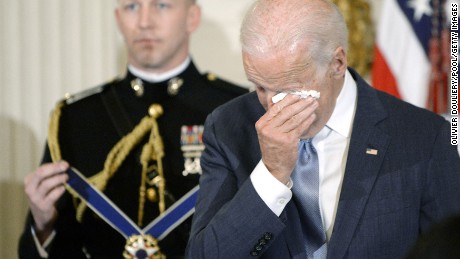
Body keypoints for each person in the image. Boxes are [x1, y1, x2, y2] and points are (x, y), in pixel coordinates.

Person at [185, 0, 460, 258]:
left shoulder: (425, 136)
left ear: (337, 64)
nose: (271, 106)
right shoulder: (227, 127)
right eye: (259, 86)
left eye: (288, 89)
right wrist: (271, 174)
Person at [18, 0, 247, 258]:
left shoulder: (235, 111)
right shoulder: (75, 117)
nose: (144, 22)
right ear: (118, 19)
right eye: (132, 7)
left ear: (192, 17)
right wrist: (43, 225)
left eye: (162, 6)